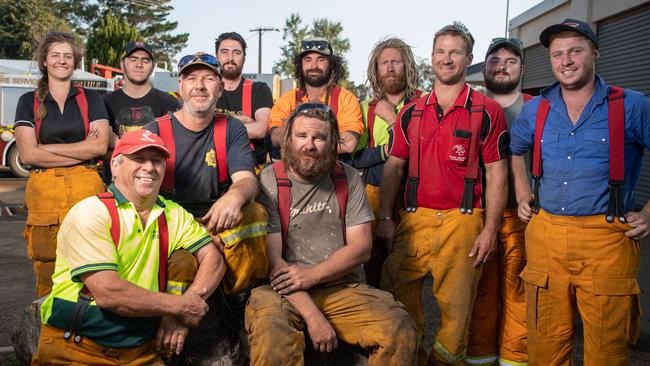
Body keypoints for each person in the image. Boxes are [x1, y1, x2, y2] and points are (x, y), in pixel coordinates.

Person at [510, 19, 650, 365]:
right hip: (546, 238)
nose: (566, 61)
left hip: (607, 241)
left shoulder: (631, 105)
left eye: (575, 51)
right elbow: (515, 149)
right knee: (544, 348)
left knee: (607, 351)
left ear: (595, 53)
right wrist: (523, 191)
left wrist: (649, 212)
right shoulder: (536, 109)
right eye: (557, 54)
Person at [31, 129, 224, 365]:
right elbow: (108, 293)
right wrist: (180, 306)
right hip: (76, 348)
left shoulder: (173, 213)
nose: (149, 168)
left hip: (141, 352)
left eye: (156, 161)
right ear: (115, 166)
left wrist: (181, 313)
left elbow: (214, 259)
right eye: (138, 159)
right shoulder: (91, 212)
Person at [377, 22, 509, 365]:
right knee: (398, 299)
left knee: (456, 313)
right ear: (431, 57)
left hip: (463, 223)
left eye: (455, 52)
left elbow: (497, 172)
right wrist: (387, 218)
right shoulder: (412, 111)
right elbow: (393, 167)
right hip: (414, 219)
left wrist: (490, 229)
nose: (446, 59)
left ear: (469, 59)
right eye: (440, 52)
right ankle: (413, 357)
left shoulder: (486, 110)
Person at [249, 102, 418, 365]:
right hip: (281, 289)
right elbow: (274, 263)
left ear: (333, 142)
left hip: (339, 285)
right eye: (302, 136)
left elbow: (361, 248)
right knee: (272, 335)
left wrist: (312, 275)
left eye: (320, 137)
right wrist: (314, 318)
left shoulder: (347, 177)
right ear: (289, 139)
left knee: (399, 327)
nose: (310, 145)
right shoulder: (270, 180)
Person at [144, 53, 268, 324]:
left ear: (220, 88)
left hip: (218, 218)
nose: (200, 85)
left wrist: (234, 197)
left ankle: (239, 298)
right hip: (175, 224)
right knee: (180, 266)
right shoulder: (156, 130)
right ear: (181, 86)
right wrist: (196, 239)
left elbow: (246, 180)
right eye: (192, 78)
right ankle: (175, 319)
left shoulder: (231, 127)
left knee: (255, 215)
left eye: (209, 79)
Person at [13, 31, 109, 297]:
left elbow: (99, 147)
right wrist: (82, 149)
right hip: (44, 192)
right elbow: (29, 155)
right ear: (45, 61)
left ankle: (87, 331)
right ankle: (51, 332)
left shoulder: (91, 99)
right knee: (47, 266)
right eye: (55, 55)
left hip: (86, 187)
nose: (62, 61)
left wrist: (46, 148)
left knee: (91, 261)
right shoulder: (27, 102)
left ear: (75, 61)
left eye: (68, 56)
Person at [466, 37, 531, 366]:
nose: (502, 65)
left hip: (524, 220)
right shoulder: (471, 108)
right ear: (484, 66)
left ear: (523, 68)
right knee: (480, 293)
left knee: (519, 293)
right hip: (479, 216)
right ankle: (479, 358)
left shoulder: (537, 108)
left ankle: (514, 360)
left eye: (511, 60)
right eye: (495, 59)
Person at [348, 37, 421, 287]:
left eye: (396, 62)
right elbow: (354, 157)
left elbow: (421, 150)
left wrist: (392, 120)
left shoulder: (424, 104)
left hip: (414, 196)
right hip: (374, 195)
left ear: (407, 66)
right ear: (375, 69)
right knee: (374, 265)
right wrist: (384, 151)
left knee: (409, 267)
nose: (390, 68)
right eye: (384, 63)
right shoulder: (365, 107)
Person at [102, 41, 181, 183]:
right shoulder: (104, 103)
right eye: (133, 59)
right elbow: (99, 149)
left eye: (145, 60)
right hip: (115, 187)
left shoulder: (169, 102)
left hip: (157, 187)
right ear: (122, 64)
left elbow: (174, 149)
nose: (139, 64)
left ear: (152, 67)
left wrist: (117, 144)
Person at [269, 36, 363, 156]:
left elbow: (349, 144)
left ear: (331, 64)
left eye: (321, 59)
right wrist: (326, 138)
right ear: (300, 65)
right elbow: (276, 137)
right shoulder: (287, 100)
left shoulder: (346, 99)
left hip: (334, 169)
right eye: (308, 59)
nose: (314, 66)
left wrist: (298, 136)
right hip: (294, 170)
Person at [215, 32, 273, 170]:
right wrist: (244, 120)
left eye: (236, 52)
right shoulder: (206, 89)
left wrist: (216, 123)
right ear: (216, 56)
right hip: (213, 169)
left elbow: (261, 129)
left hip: (252, 170)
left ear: (244, 58)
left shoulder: (259, 90)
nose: (230, 58)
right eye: (224, 52)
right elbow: (198, 126)